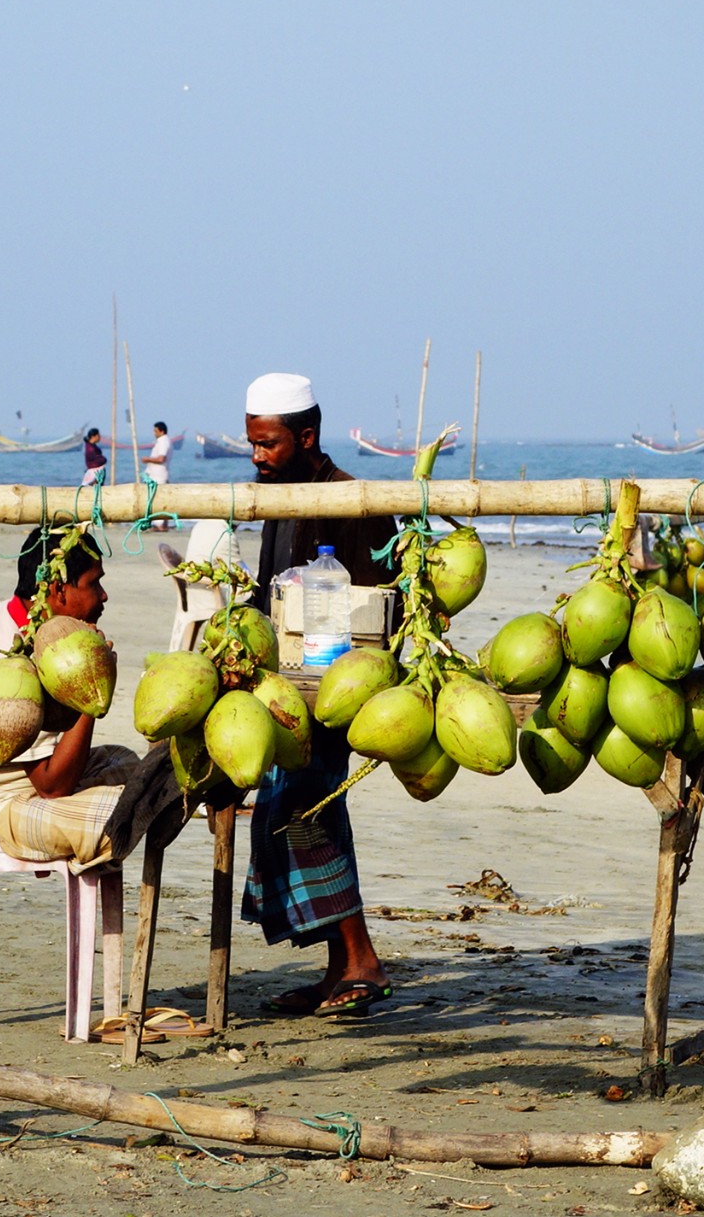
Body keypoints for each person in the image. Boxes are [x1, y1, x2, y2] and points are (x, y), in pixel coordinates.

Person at [238, 372, 399, 1017]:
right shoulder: (277, 495)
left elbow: (381, 608)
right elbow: (266, 595)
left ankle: (361, 958)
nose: (257, 457)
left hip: (338, 688)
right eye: (252, 444)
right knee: (288, 811)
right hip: (287, 689)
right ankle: (341, 965)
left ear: (307, 436)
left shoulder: (351, 501)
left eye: (268, 445)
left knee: (309, 809)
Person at [0, 527, 138, 867]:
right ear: (58, 589)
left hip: (22, 787)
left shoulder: (23, 621)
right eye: (94, 583)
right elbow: (52, 787)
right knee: (118, 815)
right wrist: (93, 686)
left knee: (131, 767)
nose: (104, 596)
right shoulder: (15, 662)